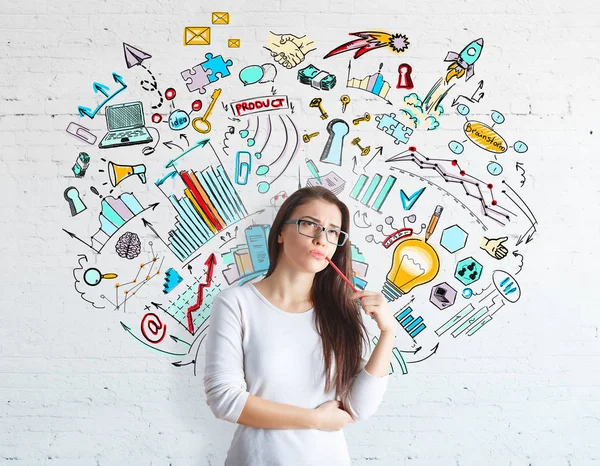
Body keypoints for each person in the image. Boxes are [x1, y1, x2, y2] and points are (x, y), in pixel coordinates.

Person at [204, 186, 397, 465]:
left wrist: (388, 334)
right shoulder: (236, 303)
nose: (321, 239)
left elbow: (360, 406)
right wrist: (315, 420)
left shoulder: (340, 313)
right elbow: (224, 400)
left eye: (333, 232)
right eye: (310, 224)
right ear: (281, 232)